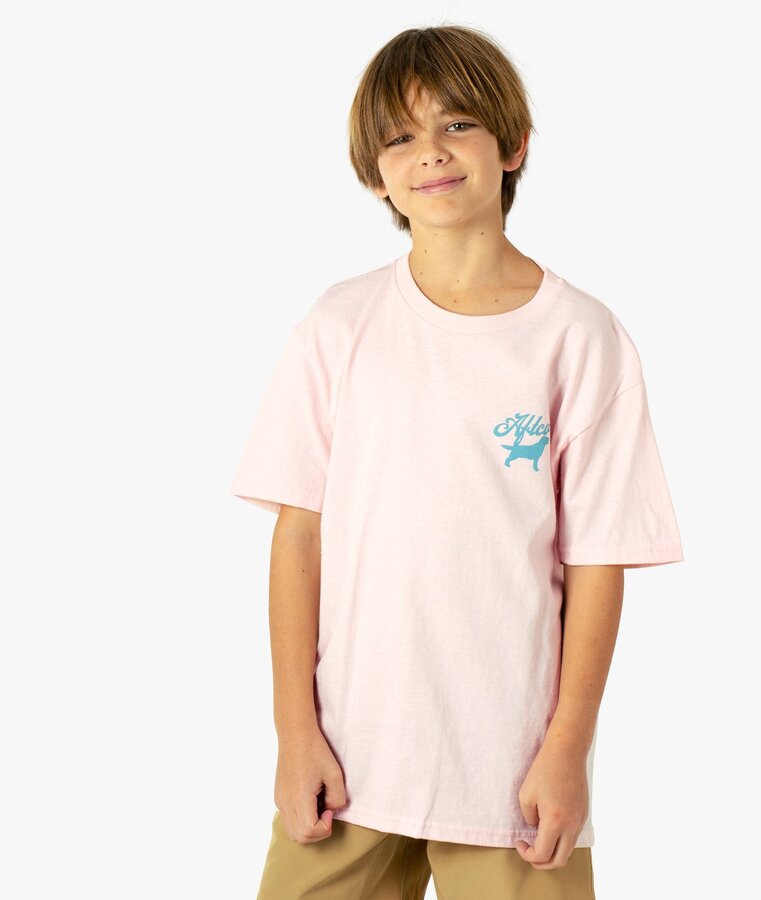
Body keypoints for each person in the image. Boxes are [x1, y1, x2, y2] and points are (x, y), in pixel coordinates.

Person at [231, 23, 684, 900]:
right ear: (375, 173)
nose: (431, 153)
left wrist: (567, 751)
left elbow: (598, 561)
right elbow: (298, 537)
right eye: (400, 137)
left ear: (513, 144)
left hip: (510, 777)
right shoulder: (339, 326)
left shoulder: (580, 337)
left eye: (457, 125)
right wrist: (295, 733)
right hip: (348, 763)